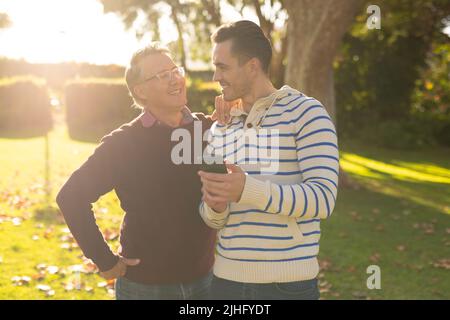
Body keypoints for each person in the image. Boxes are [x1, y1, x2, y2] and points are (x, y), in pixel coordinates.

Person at [56, 43, 217, 300]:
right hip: (145, 288)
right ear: (140, 91)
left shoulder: (210, 130)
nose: (175, 79)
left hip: (206, 283)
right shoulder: (124, 143)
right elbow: (71, 197)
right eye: (162, 75)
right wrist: (105, 260)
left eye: (175, 70)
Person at [198, 20, 339, 300]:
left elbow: (323, 199)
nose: (215, 76)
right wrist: (215, 206)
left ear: (252, 66)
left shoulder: (307, 113)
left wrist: (246, 190)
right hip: (226, 283)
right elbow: (213, 218)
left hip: (288, 286)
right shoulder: (220, 126)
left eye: (222, 67)